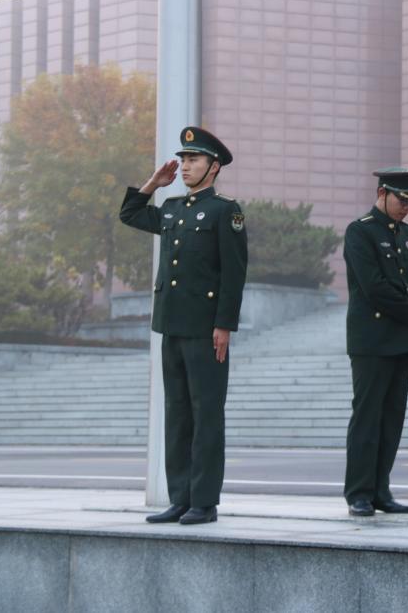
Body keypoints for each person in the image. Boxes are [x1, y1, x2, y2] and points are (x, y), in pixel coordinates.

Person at [119, 126, 248, 525]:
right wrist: (153, 184)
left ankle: (204, 502)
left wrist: (224, 325)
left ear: (214, 166)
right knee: (177, 414)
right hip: (171, 325)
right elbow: (130, 214)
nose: (186, 166)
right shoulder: (173, 207)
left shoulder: (226, 211)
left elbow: (234, 273)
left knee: (206, 414)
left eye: (194, 160)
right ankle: (180, 498)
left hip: (206, 329)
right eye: (184, 159)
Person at [342, 168, 408, 517]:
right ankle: (359, 492)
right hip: (372, 339)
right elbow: (373, 286)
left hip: (400, 340)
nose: (406, 207)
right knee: (368, 418)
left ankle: (380, 490)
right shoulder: (360, 231)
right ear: (381, 193)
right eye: (401, 199)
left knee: (391, 420)